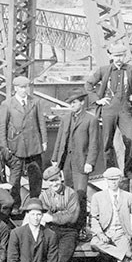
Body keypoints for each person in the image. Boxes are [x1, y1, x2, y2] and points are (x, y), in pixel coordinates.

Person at [85, 43, 132, 179]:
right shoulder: (104, 70)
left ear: (124, 56)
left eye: (121, 55)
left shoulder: (131, 69)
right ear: (111, 56)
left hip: (125, 109)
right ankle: (110, 169)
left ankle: (128, 170)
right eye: (116, 56)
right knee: (107, 141)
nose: (118, 59)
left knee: (131, 140)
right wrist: (97, 100)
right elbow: (89, 84)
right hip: (108, 109)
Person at [51, 89, 99, 232]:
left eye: (74, 103)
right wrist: (55, 158)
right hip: (66, 162)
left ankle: (81, 227)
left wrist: (90, 162)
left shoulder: (91, 119)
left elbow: (94, 143)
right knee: (67, 193)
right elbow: (59, 140)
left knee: (80, 194)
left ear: (82, 103)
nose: (72, 105)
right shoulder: (66, 119)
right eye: (70, 103)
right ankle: (69, 225)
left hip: (81, 163)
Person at [90, 167, 132, 262]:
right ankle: (123, 255)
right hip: (105, 233)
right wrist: (100, 234)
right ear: (106, 180)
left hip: (121, 233)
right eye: (110, 180)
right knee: (94, 243)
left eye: (116, 179)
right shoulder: (98, 197)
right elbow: (94, 219)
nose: (113, 182)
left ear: (120, 180)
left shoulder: (128, 197)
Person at [0, 76, 47, 205]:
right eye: (21, 87)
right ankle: (15, 204)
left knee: (36, 175)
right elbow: (2, 126)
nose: (24, 90)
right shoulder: (7, 104)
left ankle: (34, 202)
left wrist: (44, 141)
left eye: (26, 87)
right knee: (15, 176)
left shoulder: (35, 102)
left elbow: (41, 122)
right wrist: (4, 146)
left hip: (33, 145)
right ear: (15, 88)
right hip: (16, 145)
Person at [39, 166, 80, 262]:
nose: (54, 184)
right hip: (50, 230)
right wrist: (63, 213)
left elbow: (72, 217)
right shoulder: (43, 196)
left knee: (62, 258)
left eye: (56, 180)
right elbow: (44, 216)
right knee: (40, 254)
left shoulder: (71, 194)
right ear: (47, 182)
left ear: (61, 178)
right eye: (51, 181)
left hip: (69, 231)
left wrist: (52, 217)